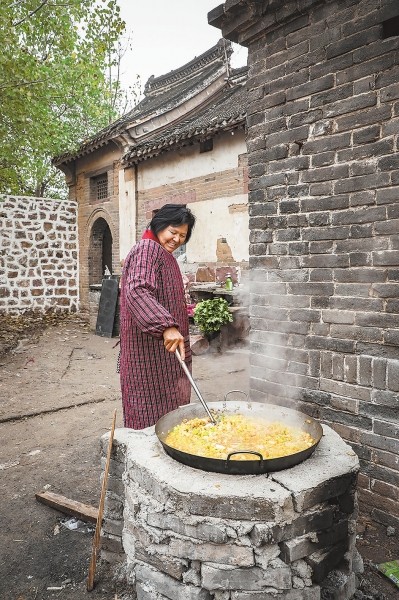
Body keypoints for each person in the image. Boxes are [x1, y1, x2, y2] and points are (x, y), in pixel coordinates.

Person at [119, 204, 196, 429]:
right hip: (148, 358)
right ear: (159, 225)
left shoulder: (165, 254)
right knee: (150, 419)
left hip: (167, 356)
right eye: (173, 232)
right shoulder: (147, 249)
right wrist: (165, 326)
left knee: (170, 416)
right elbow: (137, 291)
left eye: (183, 235)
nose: (177, 239)